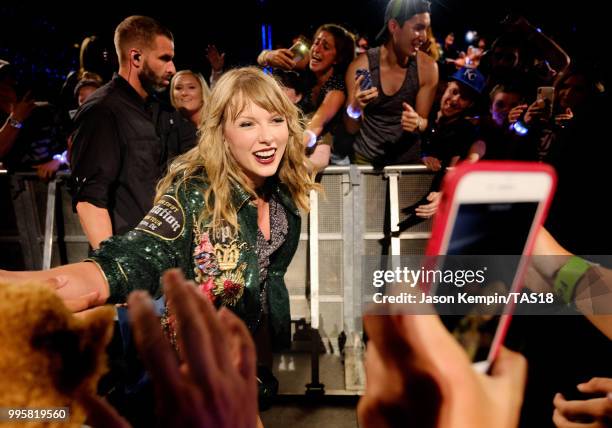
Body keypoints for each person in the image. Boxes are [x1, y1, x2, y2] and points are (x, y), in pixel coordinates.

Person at [0, 66, 316, 402]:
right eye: (247, 123)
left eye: (276, 120)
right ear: (222, 132)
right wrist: (17, 286)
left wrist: (259, 373)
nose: (267, 136)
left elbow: (265, 285)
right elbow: (127, 260)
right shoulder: (195, 195)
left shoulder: (278, 193)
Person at [70, 15, 177, 249]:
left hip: (161, 254)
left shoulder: (158, 109)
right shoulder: (102, 110)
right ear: (136, 57)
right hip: (129, 256)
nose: (172, 69)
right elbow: (90, 200)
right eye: (164, 59)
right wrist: (116, 268)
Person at [345, 0, 438, 167]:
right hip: (366, 164)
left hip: (407, 164)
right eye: (418, 28)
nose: (424, 37)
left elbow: (423, 123)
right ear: (394, 26)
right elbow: (351, 128)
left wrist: (417, 122)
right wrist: (355, 108)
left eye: (426, 28)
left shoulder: (428, 68)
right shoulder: (361, 66)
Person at [258, 24, 356, 170]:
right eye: (316, 42)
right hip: (302, 149)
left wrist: (284, 155)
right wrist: (268, 56)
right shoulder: (309, 67)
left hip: (333, 163)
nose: (316, 49)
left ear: (337, 58)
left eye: (326, 47)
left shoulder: (337, 89)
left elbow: (316, 125)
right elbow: (262, 59)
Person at [169, 69, 211, 152]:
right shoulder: (172, 127)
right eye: (178, 88)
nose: (184, 93)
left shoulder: (218, 123)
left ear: (203, 91)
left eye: (191, 87)